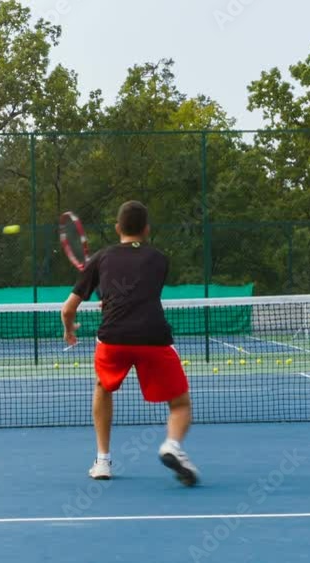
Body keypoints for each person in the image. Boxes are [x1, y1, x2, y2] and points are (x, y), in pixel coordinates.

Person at [61, 201, 199, 486]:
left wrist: (69, 330)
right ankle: (171, 446)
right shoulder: (160, 259)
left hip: (114, 339)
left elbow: (67, 309)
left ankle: (102, 461)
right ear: (147, 230)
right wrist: (113, 299)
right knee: (180, 404)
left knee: (103, 387)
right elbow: (141, 289)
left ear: (116, 228)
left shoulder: (100, 258)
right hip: (154, 337)